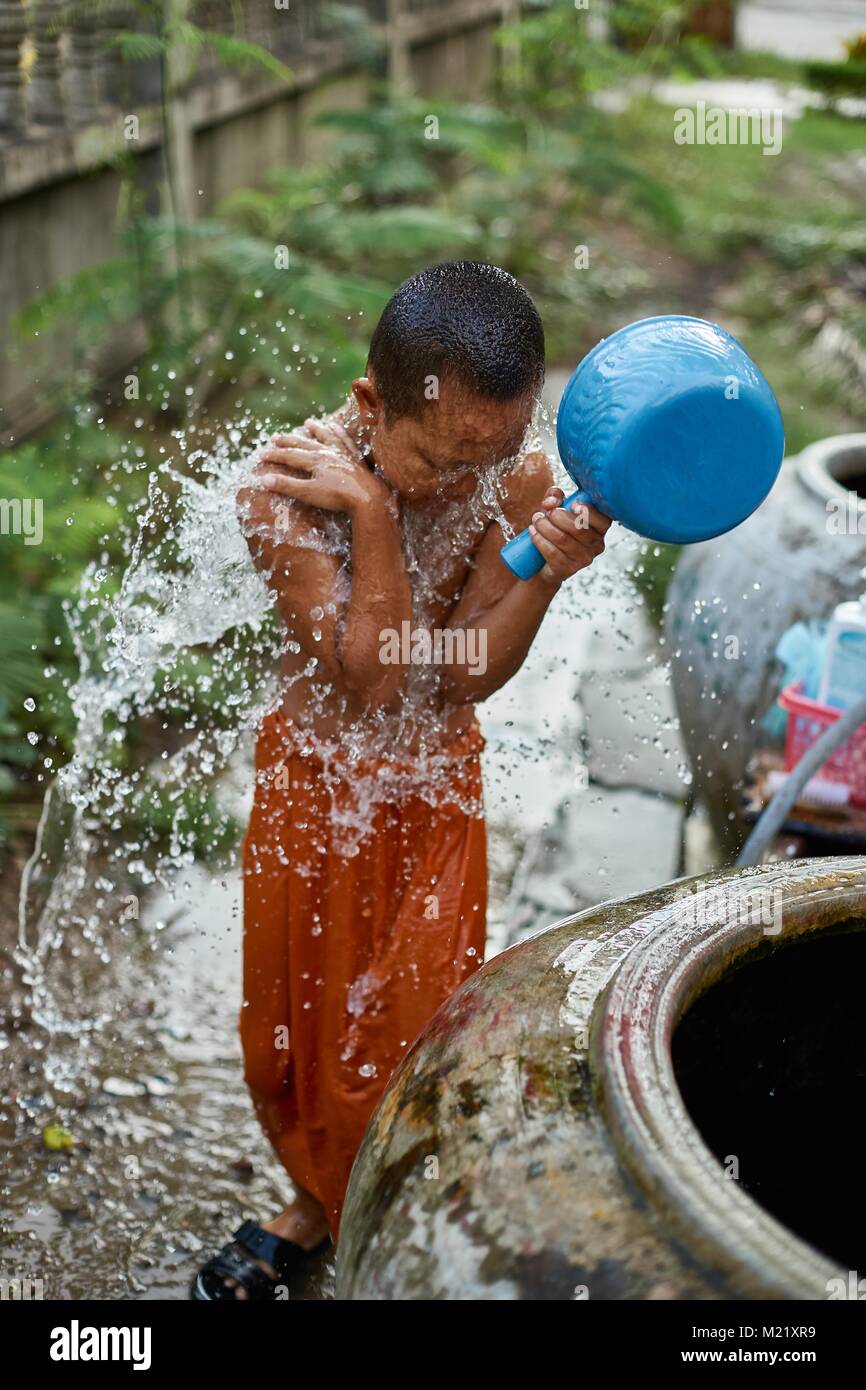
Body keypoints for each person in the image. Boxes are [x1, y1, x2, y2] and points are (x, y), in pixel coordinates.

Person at [192, 261, 610, 1299]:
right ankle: (320, 1193)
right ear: (373, 403)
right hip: (313, 793)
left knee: (404, 1026)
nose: (467, 483)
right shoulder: (285, 483)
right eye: (438, 462)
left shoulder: (505, 475)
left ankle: (352, 1213)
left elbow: (465, 670)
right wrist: (376, 515)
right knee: (287, 1041)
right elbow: (370, 678)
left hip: (431, 796)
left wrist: (543, 573)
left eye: (493, 457)